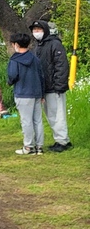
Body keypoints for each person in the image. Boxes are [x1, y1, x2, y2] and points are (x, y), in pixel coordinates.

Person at [32, 20, 73, 152]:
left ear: (45, 30)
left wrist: (59, 85)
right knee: (51, 115)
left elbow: (61, 66)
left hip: (55, 88)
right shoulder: (38, 46)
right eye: (34, 29)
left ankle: (62, 141)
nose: (36, 32)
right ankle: (60, 139)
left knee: (58, 114)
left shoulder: (55, 44)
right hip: (45, 88)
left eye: (39, 29)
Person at [8, 31, 46, 155]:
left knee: (26, 121)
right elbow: (41, 76)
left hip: (23, 93)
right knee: (37, 121)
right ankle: (39, 147)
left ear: (16, 45)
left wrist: (9, 82)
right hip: (37, 92)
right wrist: (42, 94)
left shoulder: (15, 60)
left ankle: (28, 147)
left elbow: (12, 76)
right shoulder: (35, 58)